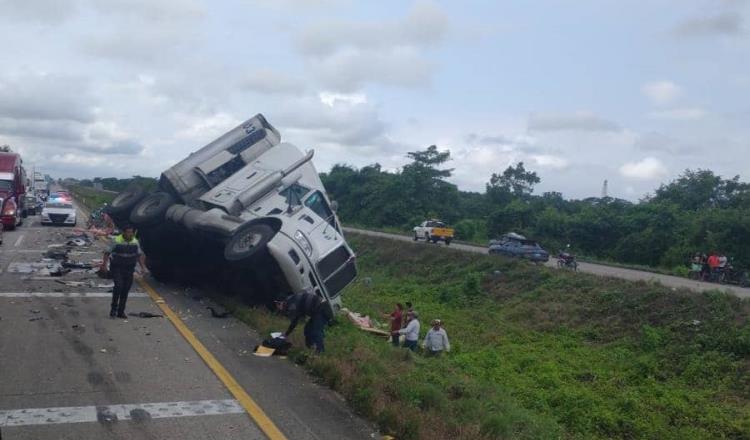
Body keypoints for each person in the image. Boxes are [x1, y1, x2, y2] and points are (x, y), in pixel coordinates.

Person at [101, 225, 147, 318]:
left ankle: (121, 312)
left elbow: (139, 255)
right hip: (117, 268)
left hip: (129, 269)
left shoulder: (135, 242)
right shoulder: (116, 240)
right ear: (123, 232)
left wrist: (143, 267)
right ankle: (113, 309)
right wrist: (104, 265)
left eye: (131, 232)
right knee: (118, 287)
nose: (130, 234)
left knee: (125, 290)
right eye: (128, 232)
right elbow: (107, 253)